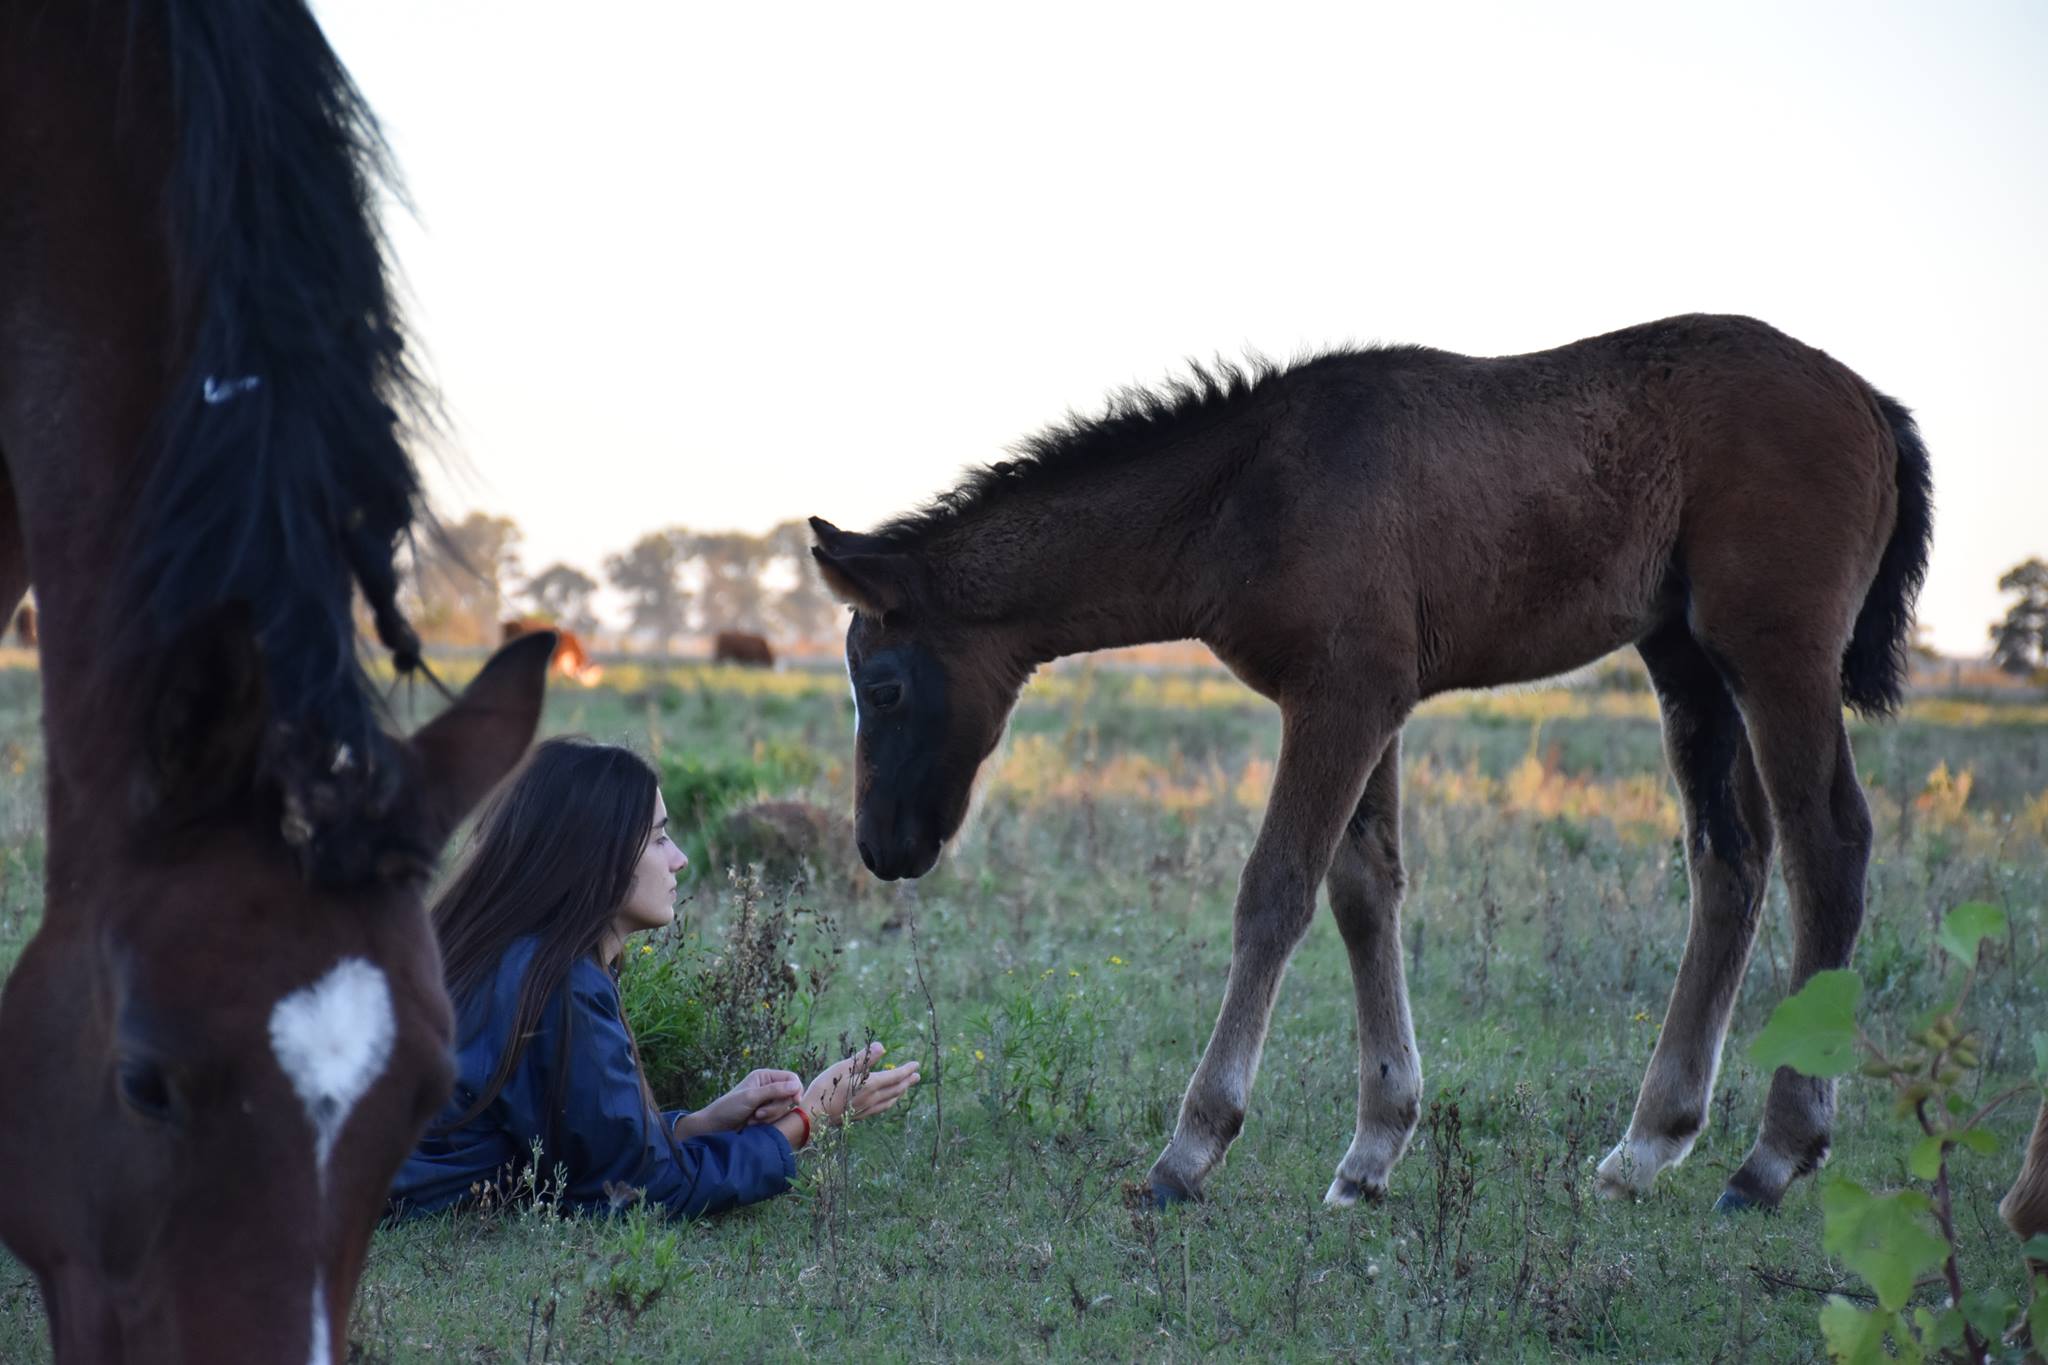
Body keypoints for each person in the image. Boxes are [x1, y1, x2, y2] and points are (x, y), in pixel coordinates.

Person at [387, 737, 918, 1219]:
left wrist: (697, 1125)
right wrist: (808, 1121)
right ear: (598, 854)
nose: (681, 860)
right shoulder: (556, 981)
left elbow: (579, 1146)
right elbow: (638, 1190)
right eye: (660, 839)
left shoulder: (510, 954)